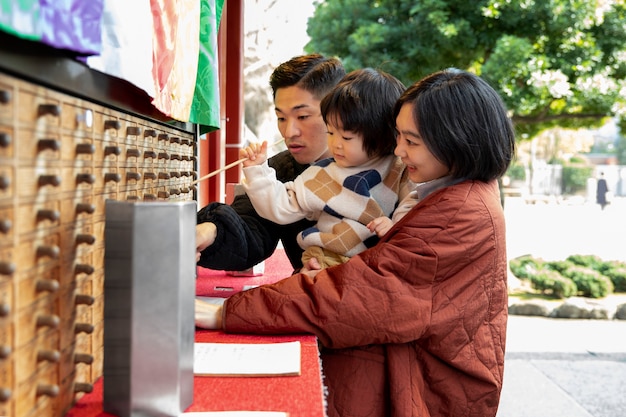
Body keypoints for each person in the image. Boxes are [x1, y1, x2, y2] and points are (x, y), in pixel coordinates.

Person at [196, 68, 516, 417]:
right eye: (281, 117)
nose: (291, 131)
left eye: (411, 141)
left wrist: (231, 312)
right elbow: (257, 220)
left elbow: (365, 292)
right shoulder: (441, 188)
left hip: (412, 381)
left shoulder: (449, 205)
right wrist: (214, 228)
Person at [238, 68, 409, 269]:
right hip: (327, 259)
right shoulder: (323, 173)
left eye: (346, 137)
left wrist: (397, 226)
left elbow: (416, 206)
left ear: (382, 136)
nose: (335, 144)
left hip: (378, 262)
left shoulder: (401, 168)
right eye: (330, 132)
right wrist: (258, 171)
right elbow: (281, 206)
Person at [196, 54, 345, 272]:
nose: (289, 132)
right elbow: (249, 225)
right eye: (281, 118)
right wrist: (210, 231)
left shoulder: (382, 166)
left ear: (337, 112)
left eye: (302, 116)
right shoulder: (280, 169)